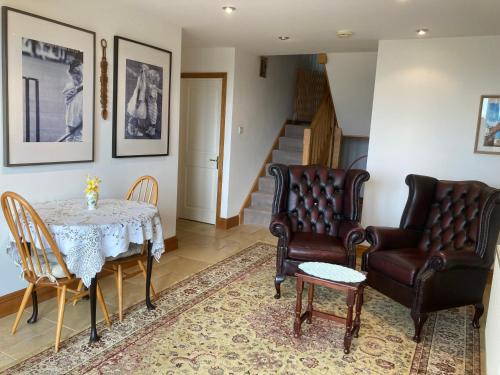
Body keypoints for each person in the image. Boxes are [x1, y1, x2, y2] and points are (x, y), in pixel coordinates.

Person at [62, 59, 83, 142]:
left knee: (79, 140)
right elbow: (66, 93)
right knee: (69, 140)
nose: (76, 77)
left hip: (79, 121)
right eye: (73, 75)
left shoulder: (85, 86)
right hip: (70, 120)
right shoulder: (69, 86)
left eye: (78, 74)